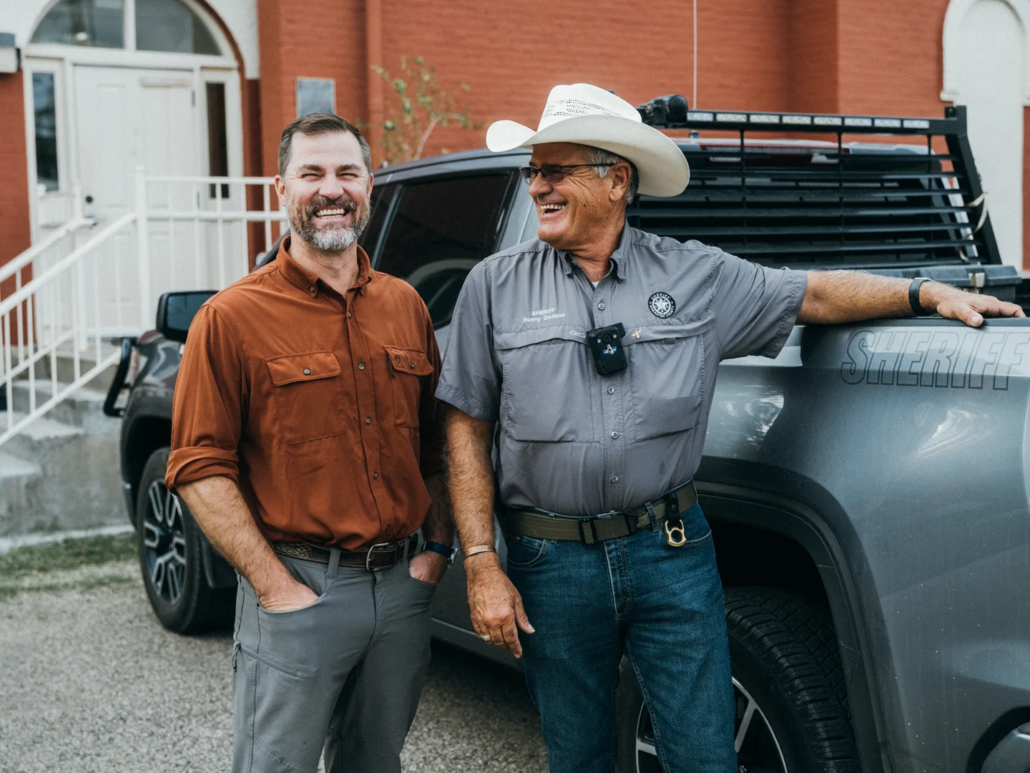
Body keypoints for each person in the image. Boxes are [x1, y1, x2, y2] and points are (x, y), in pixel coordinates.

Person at [436, 83, 1024, 773]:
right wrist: (480, 563)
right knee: (577, 756)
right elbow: (465, 426)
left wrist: (925, 291)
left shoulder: (693, 273)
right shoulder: (494, 285)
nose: (537, 185)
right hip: (551, 562)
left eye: (554, 169)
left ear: (616, 179)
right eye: (533, 171)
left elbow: (810, 292)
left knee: (705, 755)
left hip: (670, 551)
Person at [166, 113, 454, 773]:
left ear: (369, 185)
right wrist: (274, 587)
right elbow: (197, 467)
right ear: (280, 189)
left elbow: (436, 445)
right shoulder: (230, 317)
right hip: (301, 588)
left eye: (347, 172)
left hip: (402, 587)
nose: (332, 189)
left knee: (375, 761)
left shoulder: (405, 305)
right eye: (312, 174)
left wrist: (436, 550)